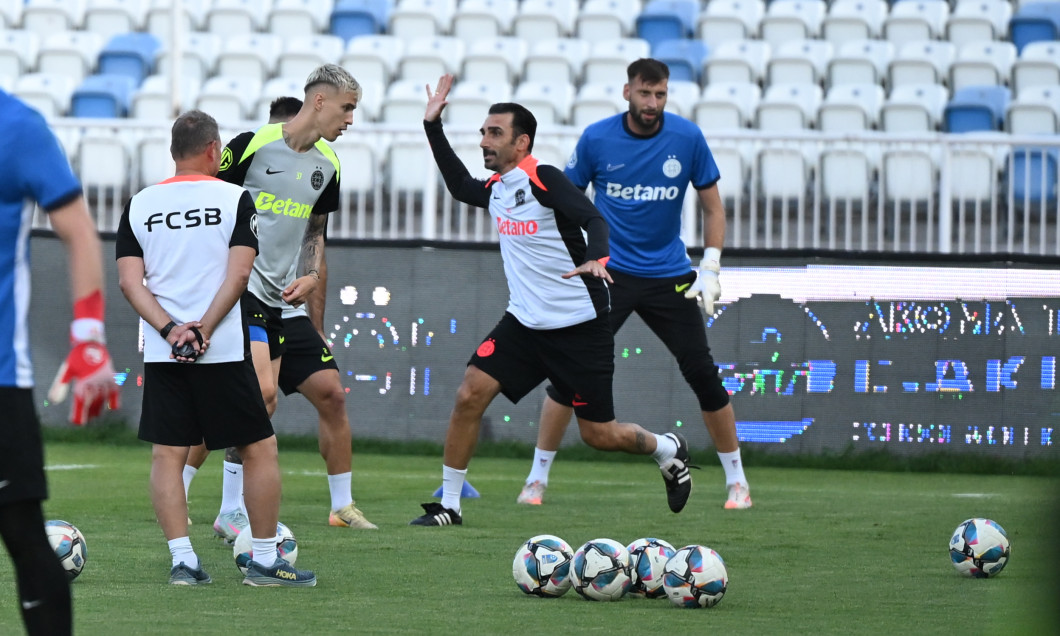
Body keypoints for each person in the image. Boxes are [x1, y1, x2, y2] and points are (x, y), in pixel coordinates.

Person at [408, 74, 695, 527]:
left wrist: (597, 256)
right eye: (483, 131)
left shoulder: (543, 177)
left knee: (599, 435)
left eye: (494, 133)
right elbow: (461, 186)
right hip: (524, 324)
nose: (484, 140)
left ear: (522, 142)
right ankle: (449, 505)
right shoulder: (498, 188)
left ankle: (667, 449)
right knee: (469, 394)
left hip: (579, 325)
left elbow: (592, 216)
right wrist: (432, 126)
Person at [516, 58, 752, 510]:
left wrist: (712, 268)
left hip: (669, 275)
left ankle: (737, 482)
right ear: (628, 92)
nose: (652, 103)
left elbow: (713, 208)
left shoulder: (687, 137)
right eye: (645, 94)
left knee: (702, 372)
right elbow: (563, 202)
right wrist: (572, 258)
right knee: (569, 374)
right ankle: (536, 480)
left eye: (660, 95)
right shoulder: (597, 138)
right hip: (610, 275)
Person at [115, 109, 316, 587]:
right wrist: (203, 328)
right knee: (259, 448)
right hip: (221, 347)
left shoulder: (140, 203)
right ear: (212, 150)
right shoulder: (234, 197)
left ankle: (183, 561)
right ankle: (265, 561)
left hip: (167, 352)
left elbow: (129, 282)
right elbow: (240, 275)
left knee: (167, 455)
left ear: (172, 152)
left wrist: (170, 331)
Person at [192, 65, 375, 544]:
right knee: (262, 395)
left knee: (287, 397)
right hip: (237, 290)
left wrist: (311, 276)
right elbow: (207, 200)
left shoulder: (329, 165)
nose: (351, 118)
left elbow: (315, 232)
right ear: (319, 102)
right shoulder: (251, 144)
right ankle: (227, 508)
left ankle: (330, 507)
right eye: (347, 107)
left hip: (279, 299)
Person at [0, 89, 120, 635]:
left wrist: (89, 339)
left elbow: (76, 228)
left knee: (23, 534)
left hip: (1, 378)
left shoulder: (17, 125)